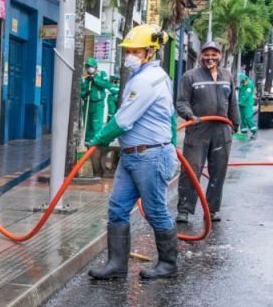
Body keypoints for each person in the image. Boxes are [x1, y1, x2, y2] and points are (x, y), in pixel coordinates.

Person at [87, 25, 178, 280]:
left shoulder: (148, 80)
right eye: (127, 51)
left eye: (134, 51)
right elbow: (170, 114)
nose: (129, 55)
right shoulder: (148, 76)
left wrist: (99, 138)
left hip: (149, 156)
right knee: (117, 208)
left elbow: (124, 119)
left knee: (155, 210)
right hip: (131, 155)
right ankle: (116, 265)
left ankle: (169, 263)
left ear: (149, 52)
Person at [175, 40, 239, 224]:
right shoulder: (190, 76)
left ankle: (212, 210)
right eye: (206, 54)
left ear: (220, 55)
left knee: (218, 171)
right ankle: (184, 210)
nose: (210, 58)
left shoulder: (227, 76)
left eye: (214, 54)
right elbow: (181, 102)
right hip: (198, 130)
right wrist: (190, 116)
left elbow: (232, 102)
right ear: (201, 55)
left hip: (221, 131)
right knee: (191, 171)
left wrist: (235, 123)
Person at [80, 57, 118, 177]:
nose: (89, 68)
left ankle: (96, 145)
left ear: (95, 67)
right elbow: (80, 90)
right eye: (87, 66)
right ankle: (89, 147)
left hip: (98, 104)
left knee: (96, 127)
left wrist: (94, 79)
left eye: (91, 66)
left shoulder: (102, 74)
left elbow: (106, 85)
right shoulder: (83, 77)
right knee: (87, 127)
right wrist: (85, 93)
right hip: (87, 103)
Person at [238, 71, 257, 139]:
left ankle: (254, 132)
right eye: (241, 81)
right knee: (242, 118)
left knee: (248, 117)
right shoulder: (242, 85)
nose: (242, 82)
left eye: (242, 81)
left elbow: (246, 95)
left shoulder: (249, 85)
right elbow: (241, 91)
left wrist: (239, 102)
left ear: (245, 79)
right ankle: (244, 132)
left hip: (247, 105)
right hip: (241, 105)